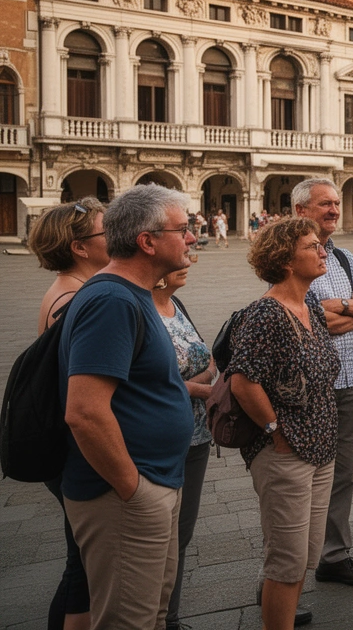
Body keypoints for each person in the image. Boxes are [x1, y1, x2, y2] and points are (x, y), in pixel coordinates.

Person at [58, 185, 197, 629]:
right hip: (125, 495)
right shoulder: (113, 301)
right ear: (147, 240)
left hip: (152, 482)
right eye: (184, 228)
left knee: (152, 615)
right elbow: (84, 411)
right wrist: (132, 488)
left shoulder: (131, 293)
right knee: (127, 621)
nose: (193, 237)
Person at [229, 218, 340, 630]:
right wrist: (277, 432)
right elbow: (242, 381)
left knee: (306, 556)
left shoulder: (309, 305)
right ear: (286, 260)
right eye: (313, 246)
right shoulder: (266, 313)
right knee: (287, 560)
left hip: (320, 449)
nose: (323, 251)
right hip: (287, 452)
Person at [292, 179, 353, 588]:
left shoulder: (344, 257)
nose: (333, 209)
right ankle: (285, 571)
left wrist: (340, 309)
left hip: (349, 379)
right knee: (299, 478)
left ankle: (334, 554)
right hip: (308, 386)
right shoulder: (289, 256)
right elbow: (302, 316)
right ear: (300, 211)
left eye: (335, 203)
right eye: (324, 204)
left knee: (342, 473)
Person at [31, 197, 108, 630]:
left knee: (79, 557)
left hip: (68, 447)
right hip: (77, 450)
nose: (113, 238)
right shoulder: (74, 299)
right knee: (82, 565)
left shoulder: (71, 290)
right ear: (80, 247)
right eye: (105, 232)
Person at [152, 262, 219, 630]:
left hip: (196, 437)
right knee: (157, 538)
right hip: (160, 441)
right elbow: (147, 382)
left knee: (182, 534)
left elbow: (207, 358)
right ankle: (154, 618)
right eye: (178, 262)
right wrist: (198, 387)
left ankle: (170, 616)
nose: (188, 263)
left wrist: (193, 381)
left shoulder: (177, 306)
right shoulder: (142, 310)